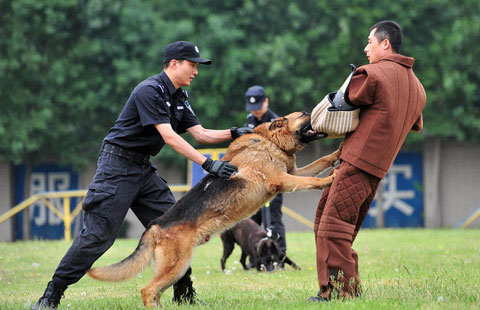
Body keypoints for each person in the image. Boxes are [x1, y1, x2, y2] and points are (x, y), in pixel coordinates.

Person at [32, 40, 252, 310]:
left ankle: (185, 294)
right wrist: (209, 165)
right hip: (116, 167)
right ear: (174, 64)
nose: (196, 71)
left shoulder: (179, 96)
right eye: (192, 65)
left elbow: (201, 134)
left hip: (143, 168)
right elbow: (169, 137)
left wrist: (234, 133)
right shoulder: (150, 90)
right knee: (98, 236)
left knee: (178, 227)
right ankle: (51, 294)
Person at [310, 21, 426, 302]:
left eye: (370, 42)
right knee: (331, 223)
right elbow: (416, 125)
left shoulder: (372, 75)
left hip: (356, 163)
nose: (365, 48)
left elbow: (345, 99)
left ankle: (340, 293)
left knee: (332, 227)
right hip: (376, 169)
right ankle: (338, 287)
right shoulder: (419, 89)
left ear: (385, 44)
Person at [244, 85, 287, 255]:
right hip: (255, 179)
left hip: (272, 178)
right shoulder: (249, 120)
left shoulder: (277, 124)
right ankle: (255, 258)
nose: (256, 112)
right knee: (253, 220)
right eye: (252, 109)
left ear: (266, 102)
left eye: (258, 107)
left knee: (272, 220)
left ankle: (279, 255)